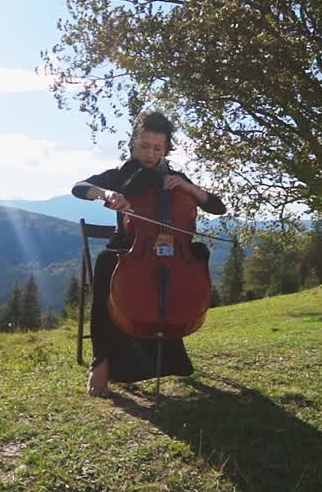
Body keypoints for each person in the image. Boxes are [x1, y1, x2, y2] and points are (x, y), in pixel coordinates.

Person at [71, 110, 226, 397]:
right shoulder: (122, 175)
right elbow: (79, 188)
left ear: (166, 148)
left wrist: (189, 188)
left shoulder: (175, 177)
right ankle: (101, 360)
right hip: (129, 250)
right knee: (106, 264)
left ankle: (172, 347)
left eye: (158, 148)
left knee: (198, 252)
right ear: (133, 143)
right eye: (145, 146)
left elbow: (217, 207)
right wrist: (106, 194)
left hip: (172, 254)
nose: (151, 154)